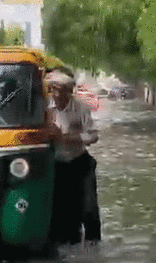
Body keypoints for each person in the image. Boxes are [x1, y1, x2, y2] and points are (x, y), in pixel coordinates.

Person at [46, 70, 101, 248]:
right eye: (53, 89)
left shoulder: (81, 108)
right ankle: (69, 243)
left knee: (89, 206)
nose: (57, 94)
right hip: (58, 166)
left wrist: (71, 137)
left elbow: (93, 136)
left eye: (61, 90)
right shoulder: (45, 110)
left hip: (80, 162)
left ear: (69, 92)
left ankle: (94, 244)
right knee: (63, 211)